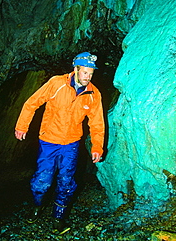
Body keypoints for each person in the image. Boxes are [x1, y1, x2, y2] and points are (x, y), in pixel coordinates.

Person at [15, 52, 105, 232]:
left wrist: (97, 146)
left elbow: (97, 123)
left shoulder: (94, 94)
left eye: (91, 73)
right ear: (76, 69)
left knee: (66, 181)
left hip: (71, 144)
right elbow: (32, 103)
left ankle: (59, 217)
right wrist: (22, 126)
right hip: (48, 142)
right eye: (85, 72)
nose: (88, 76)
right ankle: (37, 206)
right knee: (42, 181)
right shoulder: (57, 83)